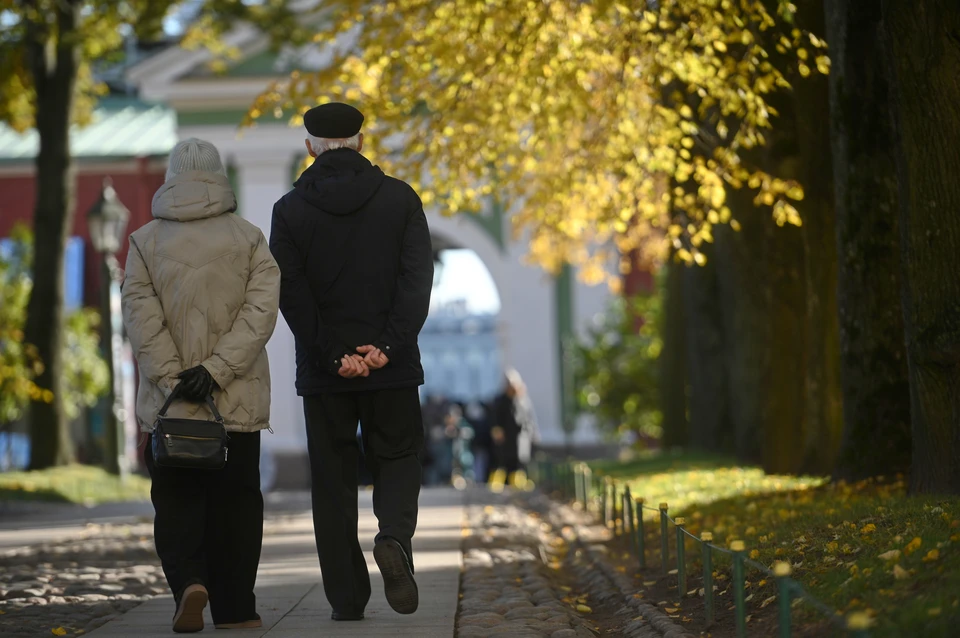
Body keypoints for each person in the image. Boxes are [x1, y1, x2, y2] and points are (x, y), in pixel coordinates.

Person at [269, 102, 434, 620]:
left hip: (325, 373)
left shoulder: (289, 210)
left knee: (333, 479)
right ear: (362, 142)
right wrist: (386, 346)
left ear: (310, 147)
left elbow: (291, 294)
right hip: (392, 367)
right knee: (399, 456)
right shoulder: (401, 200)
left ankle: (346, 599)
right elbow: (417, 281)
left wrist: (334, 354)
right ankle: (394, 538)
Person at [121, 138, 280, 633]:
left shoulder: (144, 243)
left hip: (171, 408)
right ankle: (236, 608)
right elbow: (260, 315)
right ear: (218, 176)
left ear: (172, 178)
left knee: (176, 501)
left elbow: (141, 321)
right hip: (235, 402)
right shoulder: (250, 239)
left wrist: (175, 380)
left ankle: (189, 582)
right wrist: (215, 371)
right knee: (237, 504)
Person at [491, 369, 540, 488]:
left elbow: (530, 419)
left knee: (520, 463)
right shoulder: (500, 401)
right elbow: (495, 419)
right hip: (506, 440)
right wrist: (496, 431)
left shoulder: (523, 400)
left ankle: (519, 484)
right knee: (502, 463)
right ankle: (498, 486)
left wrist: (534, 434)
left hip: (522, 439)